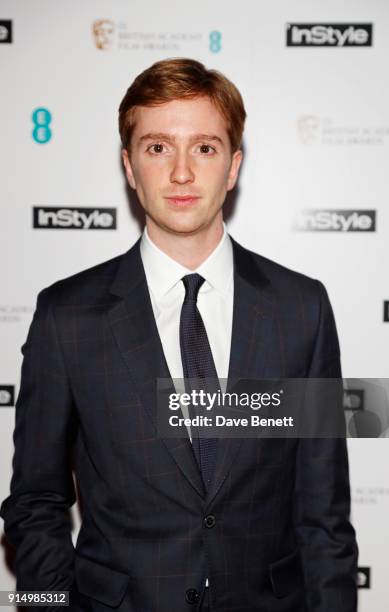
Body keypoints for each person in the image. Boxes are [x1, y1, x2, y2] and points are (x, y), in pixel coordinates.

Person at [0, 58, 358, 611]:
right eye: (158, 147)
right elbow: (34, 504)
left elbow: (323, 513)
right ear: (128, 165)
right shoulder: (67, 317)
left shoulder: (300, 309)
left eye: (206, 148)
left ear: (234, 166)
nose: (183, 172)